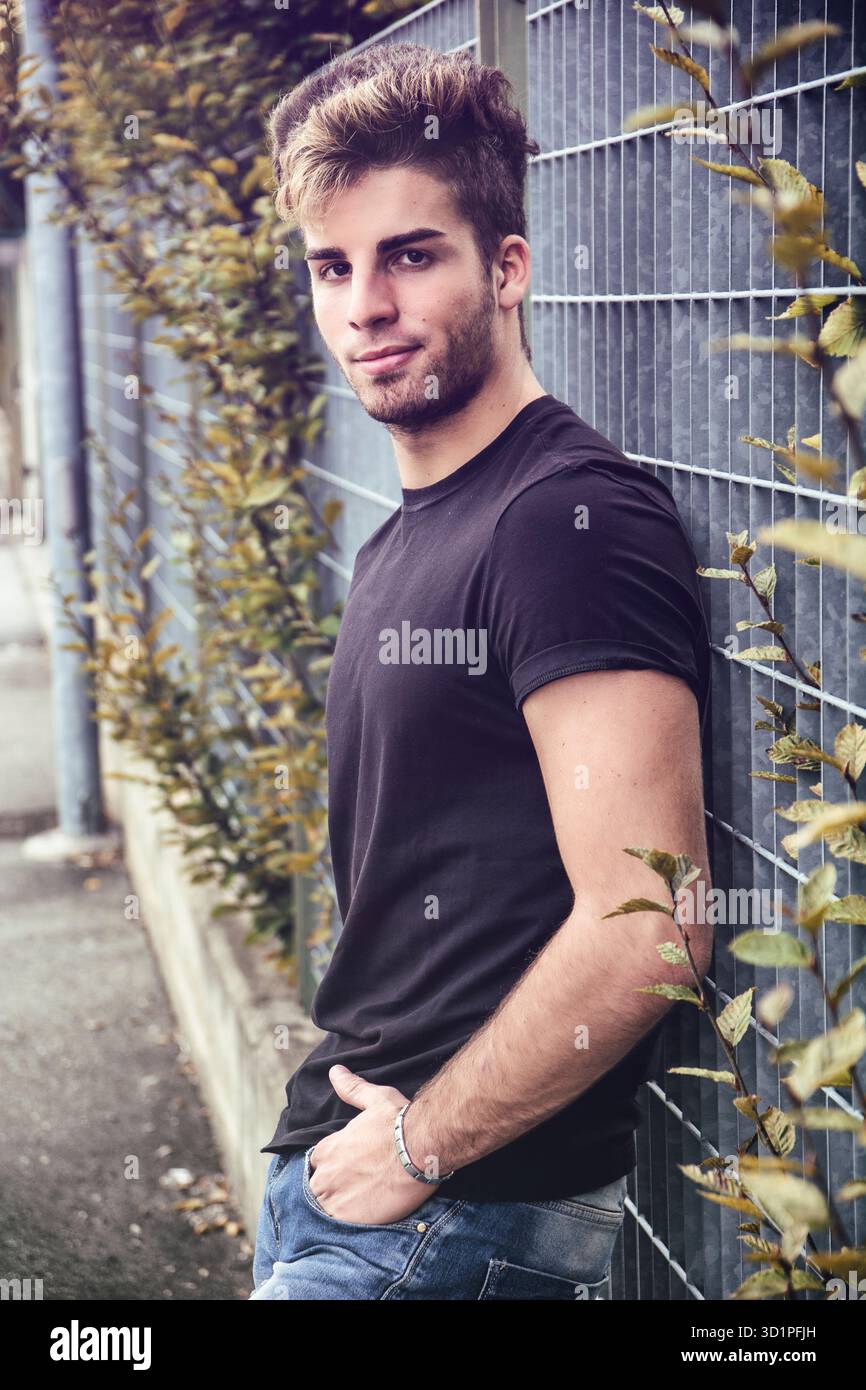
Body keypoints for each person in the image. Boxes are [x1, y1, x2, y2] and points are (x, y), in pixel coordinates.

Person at [249, 40, 714, 1301]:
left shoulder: (563, 523)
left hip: (450, 1224)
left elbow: (652, 926)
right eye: (332, 267)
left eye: (411, 254)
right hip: (350, 1192)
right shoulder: (412, 526)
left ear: (507, 267)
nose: (365, 306)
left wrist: (417, 1144)